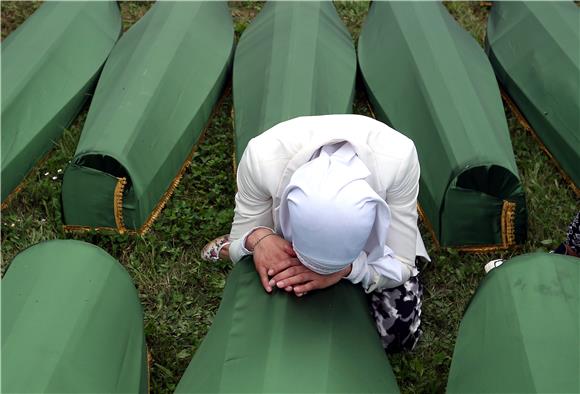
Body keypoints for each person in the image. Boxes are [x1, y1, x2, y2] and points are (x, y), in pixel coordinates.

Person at [202, 114, 430, 353]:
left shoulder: (399, 157)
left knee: (399, 338)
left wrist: (350, 269)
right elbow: (246, 228)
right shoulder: (262, 157)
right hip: (283, 238)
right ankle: (230, 246)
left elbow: (401, 263)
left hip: (369, 255)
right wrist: (257, 239)